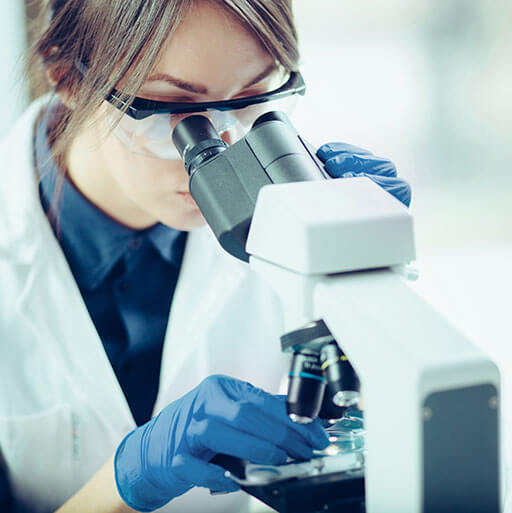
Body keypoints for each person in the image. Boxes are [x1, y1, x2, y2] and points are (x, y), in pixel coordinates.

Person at [0, 1, 411, 512]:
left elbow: (372, 420)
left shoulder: (287, 212)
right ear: (68, 78)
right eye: (174, 109)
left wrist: (370, 278)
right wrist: (124, 484)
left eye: (255, 97)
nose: (223, 142)